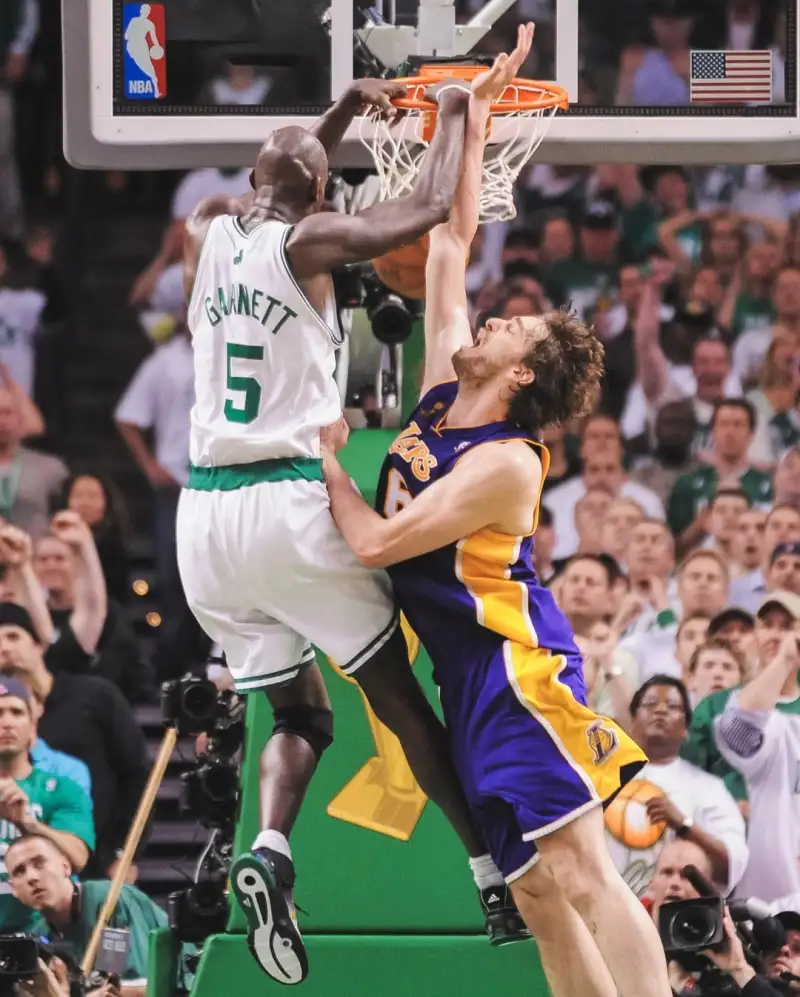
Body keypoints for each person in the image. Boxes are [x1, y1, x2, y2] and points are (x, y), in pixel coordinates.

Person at [175, 35, 536, 986]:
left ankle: (271, 850)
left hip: (201, 523)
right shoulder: (311, 241)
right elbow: (424, 209)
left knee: (298, 707)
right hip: (285, 501)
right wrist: (452, 110)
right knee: (395, 696)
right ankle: (489, 875)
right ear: (323, 195)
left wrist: (339, 112)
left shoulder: (205, 229)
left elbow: (287, 172)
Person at [323, 53, 675, 997]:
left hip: (517, 670)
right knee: (539, 899)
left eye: (514, 327)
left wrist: (323, 458)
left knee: (585, 875)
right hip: (466, 680)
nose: (492, 320)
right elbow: (450, 243)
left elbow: (374, 543)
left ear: (521, 374)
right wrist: (468, 121)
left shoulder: (508, 464)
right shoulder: (446, 387)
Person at [6, 834, 190, 995]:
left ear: (65, 866)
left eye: (40, 863)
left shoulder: (111, 903)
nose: (32, 877)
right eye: (20, 871)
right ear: (13, 889)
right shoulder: (39, 938)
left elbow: (139, 990)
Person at [0, 677, 94, 932]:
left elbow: (77, 858)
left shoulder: (62, 789)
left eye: (16, 712)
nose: (6, 722)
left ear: (33, 723)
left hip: (46, 935)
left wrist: (27, 822)